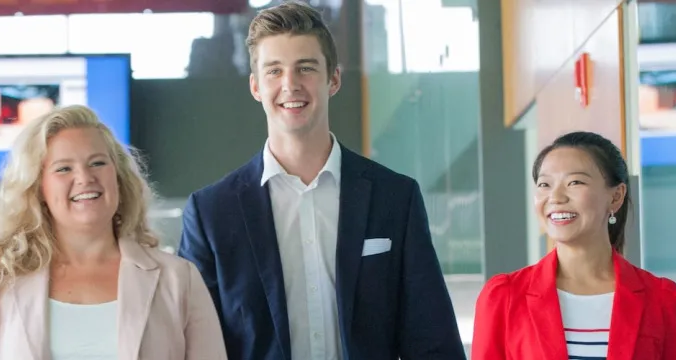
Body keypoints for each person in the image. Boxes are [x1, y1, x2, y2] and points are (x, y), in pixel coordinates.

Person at [175, 2, 464, 359]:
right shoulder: (211, 214)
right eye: (274, 71)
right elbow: (193, 347)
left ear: (334, 79)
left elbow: (434, 342)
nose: (290, 84)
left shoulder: (395, 198)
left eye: (306, 68)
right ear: (255, 86)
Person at [0, 105, 227, 359]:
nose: (85, 178)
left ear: (118, 175)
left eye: (98, 163)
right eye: (64, 169)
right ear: (38, 188)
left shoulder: (179, 280)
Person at [472, 131, 676, 359]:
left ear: (616, 196)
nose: (555, 197)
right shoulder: (504, 297)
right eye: (545, 184)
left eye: (575, 182)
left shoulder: (661, 299)